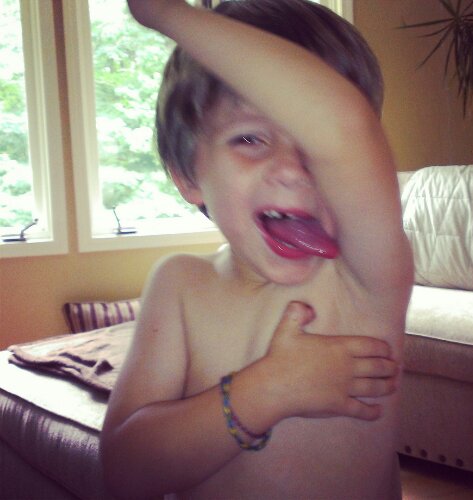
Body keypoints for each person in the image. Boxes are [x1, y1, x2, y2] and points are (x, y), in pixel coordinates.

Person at [101, 1, 414, 498]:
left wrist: (164, 12)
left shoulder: (366, 272)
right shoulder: (180, 285)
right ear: (188, 176)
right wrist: (266, 391)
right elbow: (125, 471)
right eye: (250, 138)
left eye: (312, 143)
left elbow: (343, 125)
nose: (293, 169)